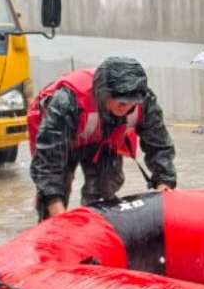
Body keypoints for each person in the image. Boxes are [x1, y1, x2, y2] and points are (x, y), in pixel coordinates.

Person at [28, 57, 176, 220]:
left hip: (102, 142)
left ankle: (96, 225)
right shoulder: (67, 102)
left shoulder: (145, 101)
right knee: (54, 196)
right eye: (120, 100)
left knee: (105, 188)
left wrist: (164, 183)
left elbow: (159, 146)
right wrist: (56, 211)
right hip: (61, 145)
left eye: (130, 101)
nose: (125, 106)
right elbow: (47, 163)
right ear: (103, 94)